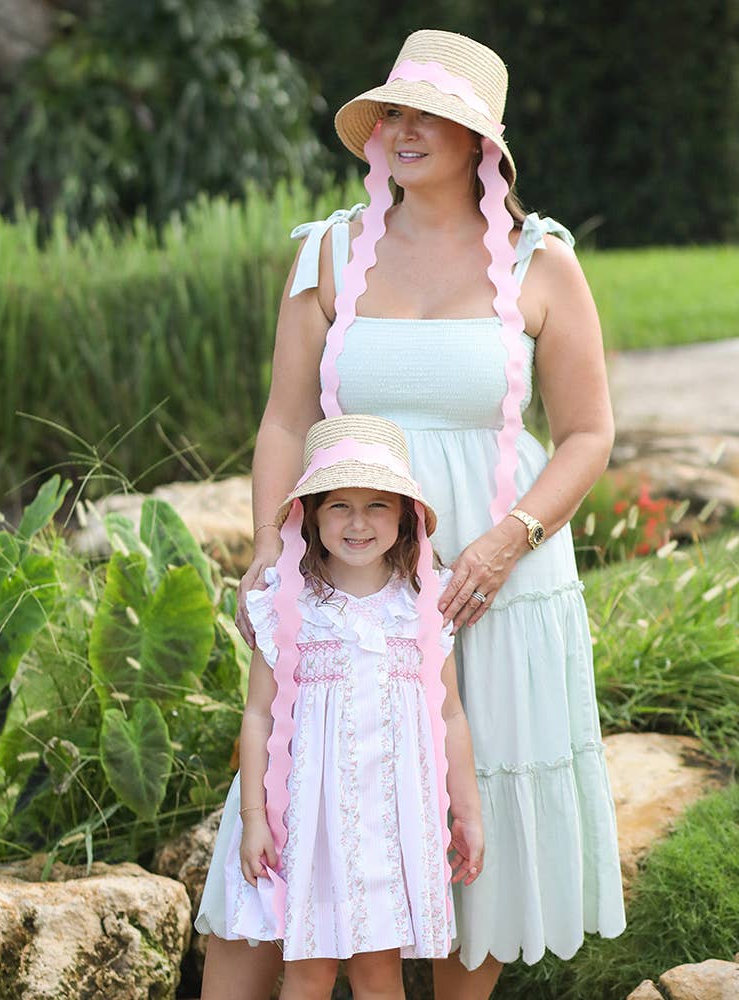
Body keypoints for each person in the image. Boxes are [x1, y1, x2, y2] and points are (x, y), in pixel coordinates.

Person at [197, 27, 625, 999]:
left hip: (495, 582)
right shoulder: (328, 254)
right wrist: (268, 547)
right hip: (348, 576)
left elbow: (588, 433)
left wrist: (507, 543)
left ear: (481, 140)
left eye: (430, 115)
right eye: (393, 112)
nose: (405, 130)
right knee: (298, 788)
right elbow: (284, 419)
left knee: (479, 798)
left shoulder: (542, 262)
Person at [198, 414, 484, 1000]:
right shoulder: (287, 605)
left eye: (377, 505)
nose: (358, 523)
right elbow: (257, 716)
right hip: (311, 821)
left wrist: (468, 812)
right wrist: (255, 818)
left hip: (393, 819)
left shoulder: (422, 606)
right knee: (310, 971)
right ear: (310, 514)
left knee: (379, 973)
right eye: (339, 506)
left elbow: (450, 715)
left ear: (404, 515)